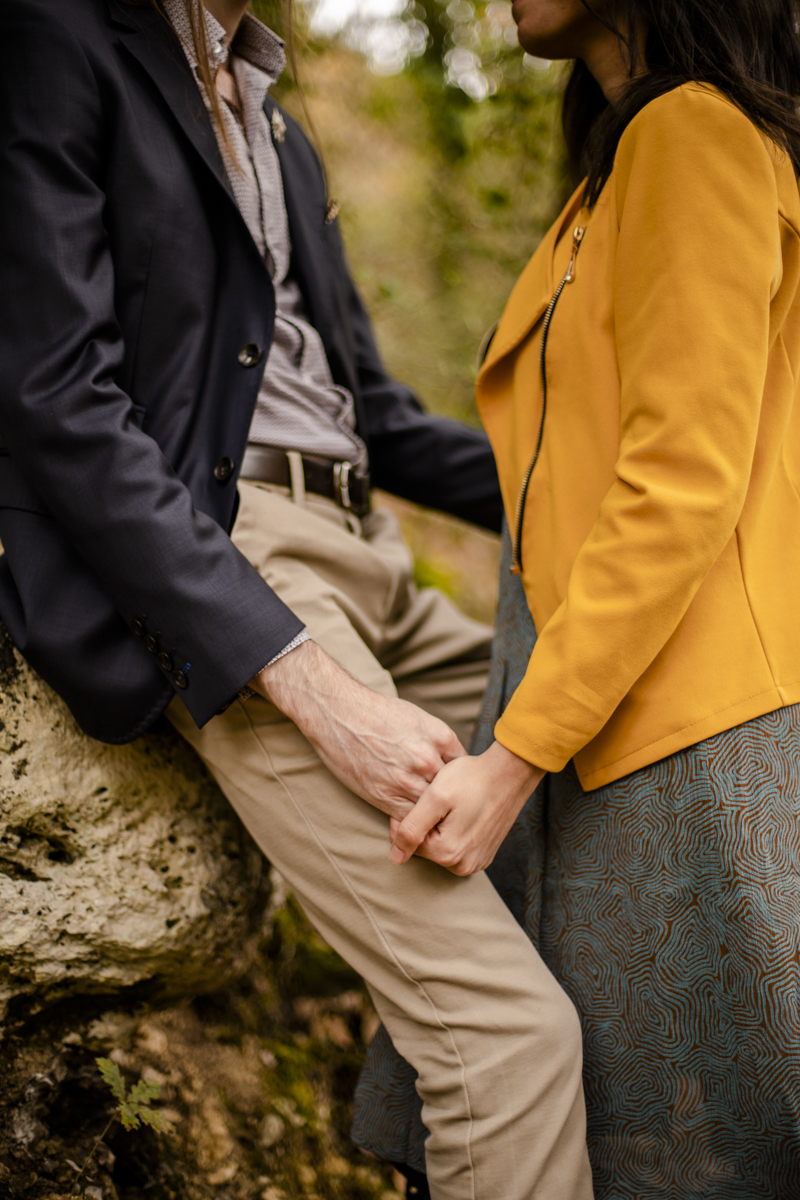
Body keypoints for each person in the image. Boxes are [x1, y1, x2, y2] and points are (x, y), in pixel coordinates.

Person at [0, 1, 596, 1196]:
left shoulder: (279, 123)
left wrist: (600, 492)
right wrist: (300, 676)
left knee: (632, 761)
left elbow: (374, 414)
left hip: (369, 543)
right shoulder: (56, 39)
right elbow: (55, 398)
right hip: (234, 560)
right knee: (510, 1039)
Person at [363, 0, 800, 1195]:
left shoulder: (689, 134)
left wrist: (509, 756)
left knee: (694, 1157)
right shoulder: (621, 159)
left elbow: (676, 488)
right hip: (613, 712)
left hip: (680, 739)